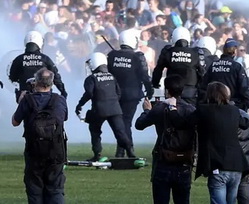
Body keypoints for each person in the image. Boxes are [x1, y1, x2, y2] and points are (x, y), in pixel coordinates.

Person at [134, 75, 196, 204]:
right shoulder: (190, 110)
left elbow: (139, 125)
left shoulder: (160, 108)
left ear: (167, 91)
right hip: (184, 161)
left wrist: (146, 111)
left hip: (163, 160)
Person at [11, 68, 68, 204]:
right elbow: (63, 118)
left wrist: (22, 100)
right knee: (55, 189)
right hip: (56, 150)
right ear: (52, 83)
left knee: (35, 189)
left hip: (34, 150)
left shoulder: (27, 100)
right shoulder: (59, 100)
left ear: (36, 82)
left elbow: (15, 122)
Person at [190, 82, 249, 204]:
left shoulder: (204, 110)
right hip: (236, 164)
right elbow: (245, 123)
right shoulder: (233, 110)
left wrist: (173, 108)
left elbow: (186, 122)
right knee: (231, 200)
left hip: (218, 164)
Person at [75, 52, 136, 161]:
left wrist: (80, 104)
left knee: (94, 130)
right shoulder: (112, 76)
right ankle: (131, 153)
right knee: (120, 132)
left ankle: (97, 154)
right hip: (115, 109)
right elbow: (118, 93)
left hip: (99, 109)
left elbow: (89, 93)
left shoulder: (91, 78)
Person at [108, 29, 154, 157]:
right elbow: (145, 76)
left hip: (114, 94)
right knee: (126, 122)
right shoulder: (138, 56)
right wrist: (149, 91)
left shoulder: (112, 55)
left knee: (120, 122)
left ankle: (122, 150)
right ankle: (128, 149)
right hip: (132, 95)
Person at [152, 26, 205, 104]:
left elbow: (158, 69)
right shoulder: (196, 52)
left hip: (171, 91)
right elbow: (202, 72)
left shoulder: (168, 51)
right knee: (190, 114)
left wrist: (155, 83)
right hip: (190, 92)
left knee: (171, 113)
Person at [9, 31, 67, 102]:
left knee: (19, 113)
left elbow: (12, 77)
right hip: (44, 98)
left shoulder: (18, 59)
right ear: (40, 43)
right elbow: (56, 76)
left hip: (24, 98)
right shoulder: (45, 59)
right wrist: (63, 91)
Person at [201, 40, 249, 110]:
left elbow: (204, 85)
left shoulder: (213, 65)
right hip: (233, 106)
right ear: (234, 52)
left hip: (214, 105)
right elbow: (244, 87)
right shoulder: (236, 66)